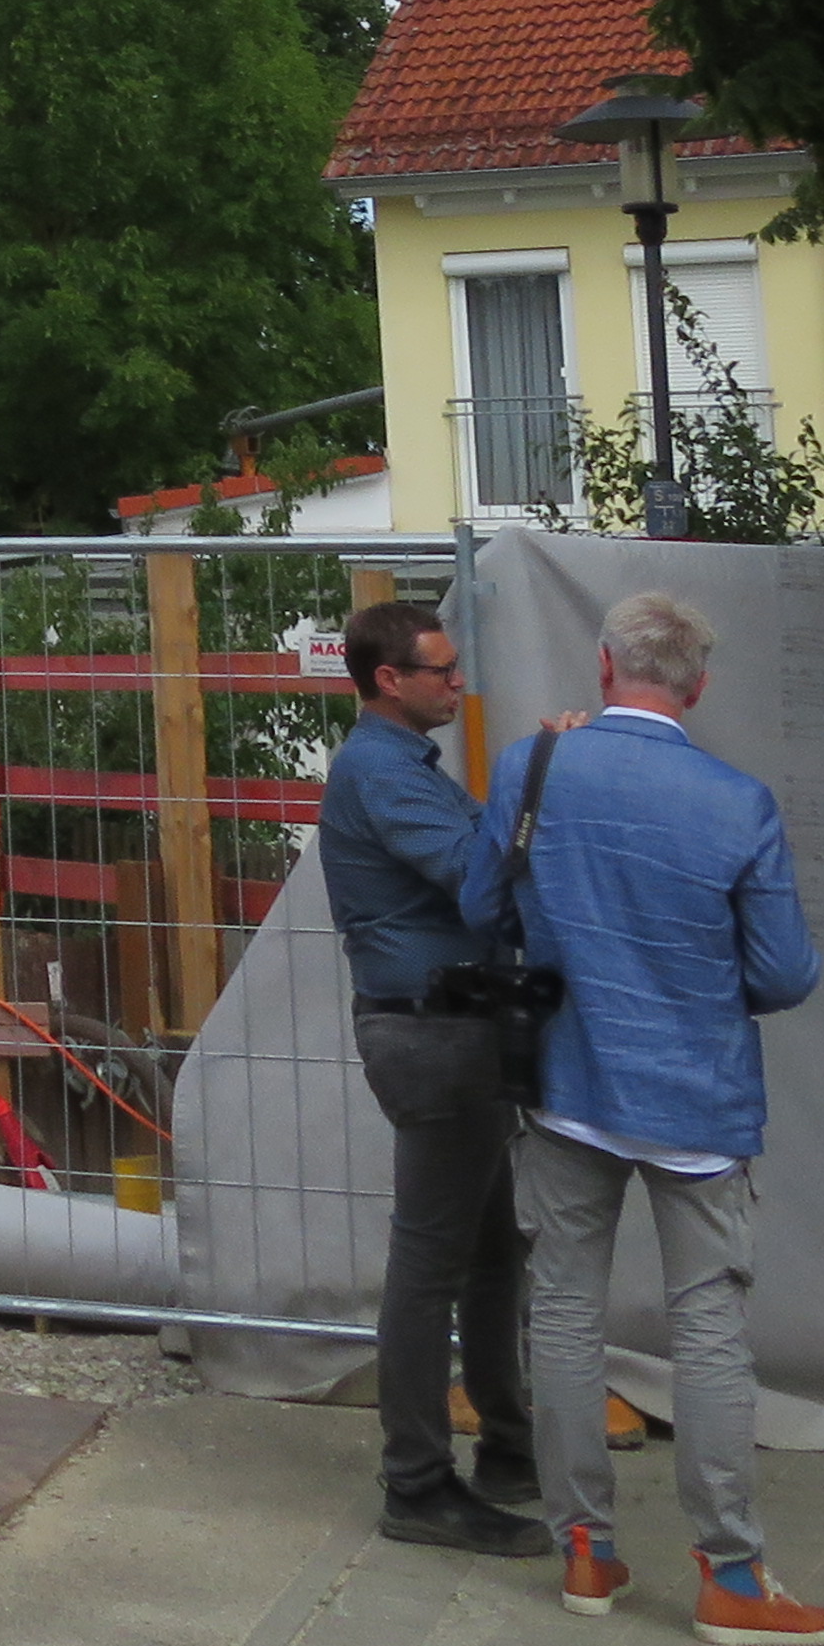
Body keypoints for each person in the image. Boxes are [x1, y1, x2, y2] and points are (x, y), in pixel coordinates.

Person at [456, 587, 824, 1646]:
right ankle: (731, 1577)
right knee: (709, 1328)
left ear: (604, 667)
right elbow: (786, 972)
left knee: (568, 1315)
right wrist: (701, 997)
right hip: (699, 1100)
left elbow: (484, 913)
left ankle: (585, 1552)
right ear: (698, 686)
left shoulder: (534, 770)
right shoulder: (740, 804)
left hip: (569, 1088)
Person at [317, 597, 541, 1556]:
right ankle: (415, 1485)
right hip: (432, 1038)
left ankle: (510, 1446)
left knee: (493, 1252)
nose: (458, 683)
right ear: (387, 682)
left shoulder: (407, 765)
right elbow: (478, 875)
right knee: (429, 1264)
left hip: (456, 1030)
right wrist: (541, 783)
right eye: (441, 671)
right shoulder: (381, 772)